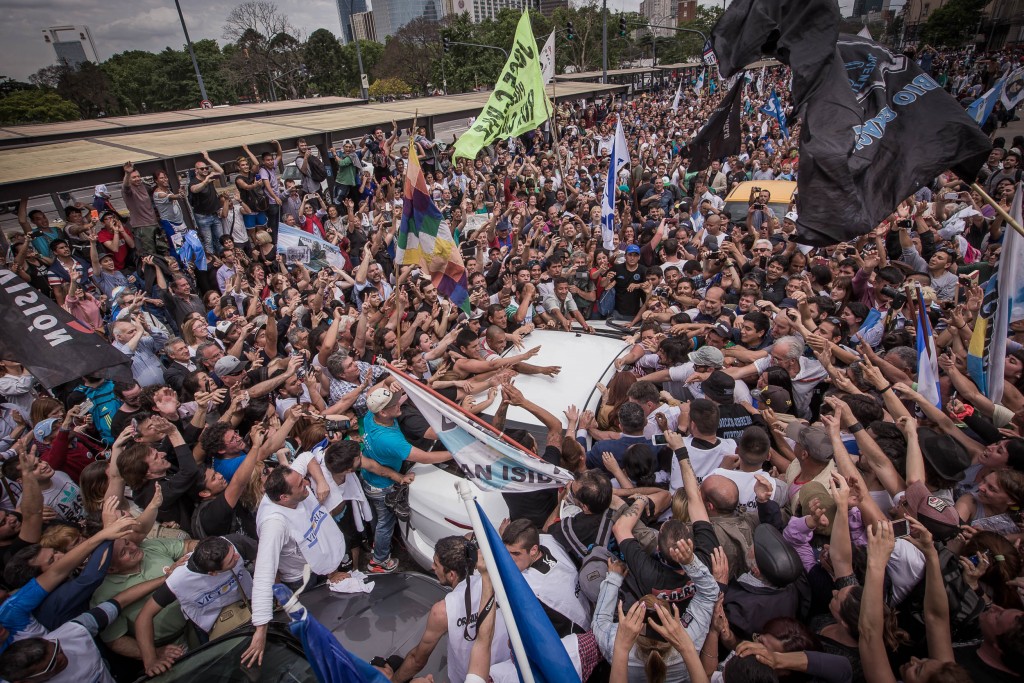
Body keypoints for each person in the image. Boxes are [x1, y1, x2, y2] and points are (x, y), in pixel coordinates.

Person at [360, 386, 451, 573]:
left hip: (370, 478)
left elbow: (387, 398)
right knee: (386, 524)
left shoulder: (371, 416)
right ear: (384, 412)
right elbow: (425, 457)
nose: (398, 402)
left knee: (378, 519)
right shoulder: (390, 440)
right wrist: (454, 453)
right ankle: (379, 561)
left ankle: (377, 544)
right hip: (382, 486)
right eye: (394, 403)